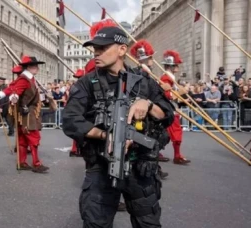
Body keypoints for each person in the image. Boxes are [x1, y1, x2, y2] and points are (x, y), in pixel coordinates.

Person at [62, 25, 174, 227]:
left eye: (103, 48)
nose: (97, 52)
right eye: (95, 48)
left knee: (148, 223)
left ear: (122, 50)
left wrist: (147, 105)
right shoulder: (87, 83)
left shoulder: (143, 82)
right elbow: (70, 120)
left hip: (141, 167)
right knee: (96, 222)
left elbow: (168, 114)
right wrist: (104, 135)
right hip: (102, 167)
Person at [0, 56, 49, 173]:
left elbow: (11, 88)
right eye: (34, 66)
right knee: (34, 138)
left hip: (27, 112)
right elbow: (15, 91)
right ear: (28, 67)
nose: (37, 68)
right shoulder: (24, 79)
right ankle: (36, 163)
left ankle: (22, 162)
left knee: (23, 139)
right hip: (27, 113)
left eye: (36, 65)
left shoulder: (29, 78)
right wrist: (11, 97)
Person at [130, 39, 170, 176]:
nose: (153, 60)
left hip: (150, 119)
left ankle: (153, 170)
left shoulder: (149, 77)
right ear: (146, 59)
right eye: (151, 57)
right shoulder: (137, 75)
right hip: (141, 121)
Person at [160, 50, 191, 165]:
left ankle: (177, 155)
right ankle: (176, 156)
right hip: (168, 109)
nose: (178, 67)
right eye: (176, 65)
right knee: (174, 133)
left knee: (172, 133)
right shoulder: (166, 78)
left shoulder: (170, 77)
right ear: (171, 66)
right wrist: (182, 92)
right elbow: (168, 95)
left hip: (172, 108)